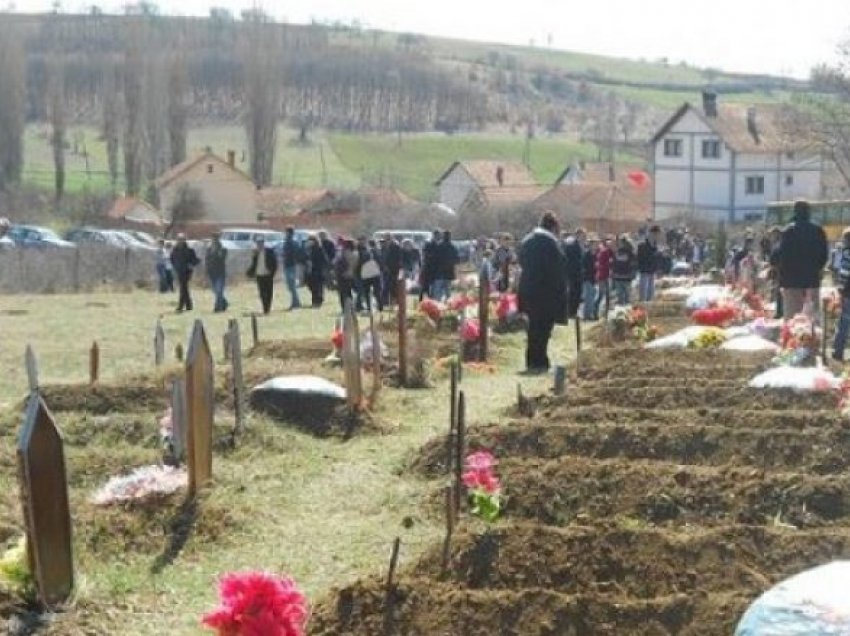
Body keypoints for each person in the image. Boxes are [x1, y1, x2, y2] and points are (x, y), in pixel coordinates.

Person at [518, 211, 568, 373]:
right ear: (554, 227)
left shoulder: (527, 241)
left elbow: (521, 262)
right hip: (546, 293)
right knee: (544, 328)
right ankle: (540, 360)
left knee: (533, 327)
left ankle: (532, 360)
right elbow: (558, 270)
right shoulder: (551, 244)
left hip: (528, 290)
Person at [777, 200, 829, 320]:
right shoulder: (818, 231)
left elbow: (780, 255)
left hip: (791, 282)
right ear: (809, 212)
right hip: (812, 281)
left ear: (794, 212)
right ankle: (812, 338)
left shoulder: (788, 231)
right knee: (812, 319)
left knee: (792, 320)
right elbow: (824, 256)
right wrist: (816, 269)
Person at [247, 237, 278, 314]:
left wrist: (272, 273)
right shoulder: (255, 253)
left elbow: (275, 264)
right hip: (259, 275)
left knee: (269, 292)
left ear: (263, 244)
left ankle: (268, 308)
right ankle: (265, 308)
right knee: (262, 293)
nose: (259, 245)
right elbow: (254, 264)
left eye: (260, 243)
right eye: (257, 244)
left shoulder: (269, 251)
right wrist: (250, 272)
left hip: (268, 275)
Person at [170, 233, 200, 312]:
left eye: (181, 239)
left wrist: (191, 265)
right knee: (184, 288)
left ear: (184, 240)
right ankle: (189, 305)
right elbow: (172, 259)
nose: (180, 241)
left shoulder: (189, 250)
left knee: (183, 288)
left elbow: (196, 260)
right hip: (179, 271)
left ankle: (180, 306)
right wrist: (175, 267)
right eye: (179, 239)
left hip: (187, 272)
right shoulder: (175, 250)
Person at [832, 228, 850, 361]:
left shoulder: (847, 254)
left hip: (848, 293)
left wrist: (840, 290)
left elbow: (844, 274)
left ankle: (838, 351)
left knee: (844, 321)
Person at [356, 237, 383, 312]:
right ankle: (373, 306)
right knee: (368, 291)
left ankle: (376, 305)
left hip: (369, 273)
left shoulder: (369, 251)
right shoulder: (372, 251)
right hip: (369, 273)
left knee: (371, 291)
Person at [561, 228, 583, 318]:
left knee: (576, 293)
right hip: (573, 272)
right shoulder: (572, 244)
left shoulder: (577, 244)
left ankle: (572, 311)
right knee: (573, 293)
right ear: (578, 234)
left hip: (576, 272)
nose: (583, 237)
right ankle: (571, 312)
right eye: (582, 235)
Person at [280, 227, 303, 310]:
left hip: (291, 265)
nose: (285, 234)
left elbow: (294, 253)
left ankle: (296, 303)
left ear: (289, 233)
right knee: (290, 286)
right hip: (288, 265)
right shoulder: (288, 242)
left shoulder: (292, 242)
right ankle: (295, 302)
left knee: (291, 285)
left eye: (286, 232)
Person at [205, 232, 229, 312]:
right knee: (215, 291)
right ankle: (224, 303)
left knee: (219, 290)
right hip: (212, 273)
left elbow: (222, 258)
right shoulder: (209, 250)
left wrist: (218, 251)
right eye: (213, 239)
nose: (214, 241)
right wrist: (206, 271)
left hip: (220, 273)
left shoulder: (223, 249)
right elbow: (207, 261)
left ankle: (218, 307)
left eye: (216, 239)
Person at [432, 230, 459, 301]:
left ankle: (437, 304)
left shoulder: (439, 246)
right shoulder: (453, 247)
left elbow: (434, 259)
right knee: (448, 292)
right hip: (449, 272)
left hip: (439, 272)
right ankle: (448, 305)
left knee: (437, 292)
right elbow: (457, 260)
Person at [636, 225, 660, 302]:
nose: (657, 236)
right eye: (656, 234)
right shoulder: (642, 244)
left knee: (651, 293)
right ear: (651, 233)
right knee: (644, 293)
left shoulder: (655, 245)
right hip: (644, 271)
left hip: (652, 271)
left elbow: (655, 258)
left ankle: (649, 306)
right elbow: (641, 257)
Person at [611, 235, 637, 306]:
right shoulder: (616, 252)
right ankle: (621, 312)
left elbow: (634, 265)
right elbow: (613, 264)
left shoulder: (630, 253)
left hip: (626, 278)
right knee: (620, 297)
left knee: (627, 298)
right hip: (618, 278)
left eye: (621, 242)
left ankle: (626, 311)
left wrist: (632, 274)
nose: (619, 244)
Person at [334, 239, 359, 312]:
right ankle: (350, 307)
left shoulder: (344, 253)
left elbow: (338, 263)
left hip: (343, 276)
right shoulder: (356, 253)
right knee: (349, 293)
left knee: (344, 293)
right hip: (351, 276)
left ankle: (346, 308)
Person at [303, 236, 328, 308]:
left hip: (317, 271)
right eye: (309, 240)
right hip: (309, 271)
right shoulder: (307, 249)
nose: (309, 242)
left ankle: (317, 301)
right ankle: (315, 300)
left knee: (317, 287)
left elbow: (324, 260)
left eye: (311, 240)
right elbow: (303, 257)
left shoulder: (319, 249)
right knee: (311, 286)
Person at [381, 234, 403, 307]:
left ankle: (394, 301)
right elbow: (384, 258)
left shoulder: (396, 247)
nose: (387, 241)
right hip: (386, 270)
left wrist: (397, 267)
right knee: (386, 286)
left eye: (388, 239)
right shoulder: (385, 247)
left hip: (394, 270)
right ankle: (385, 301)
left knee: (393, 286)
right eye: (386, 239)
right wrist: (384, 266)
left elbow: (398, 259)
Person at [419, 230, 441, 301]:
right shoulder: (428, 243)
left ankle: (430, 299)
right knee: (425, 286)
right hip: (428, 267)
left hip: (435, 268)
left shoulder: (438, 244)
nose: (438, 237)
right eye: (436, 235)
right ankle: (422, 299)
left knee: (433, 286)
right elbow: (425, 254)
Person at [595, 236, 614, 317]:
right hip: (602, 276)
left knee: (608, 295)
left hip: (607, 276)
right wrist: (609, 263)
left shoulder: (610, 252)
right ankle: (595, 310)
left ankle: (606, 313)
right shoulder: (603, 252)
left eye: (611, 243)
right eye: (609, 243)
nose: (610, 245)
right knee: (601, 294)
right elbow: (602, 264)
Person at [581, 236, 598, 321]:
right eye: (594, 244)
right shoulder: (586, 254)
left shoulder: (595, 255)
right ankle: (586, 315)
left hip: (594, 279)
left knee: (592, 297)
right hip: (588, 278)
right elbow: (584, 266)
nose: (595, 246)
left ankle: (590, 313)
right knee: (588, 298)